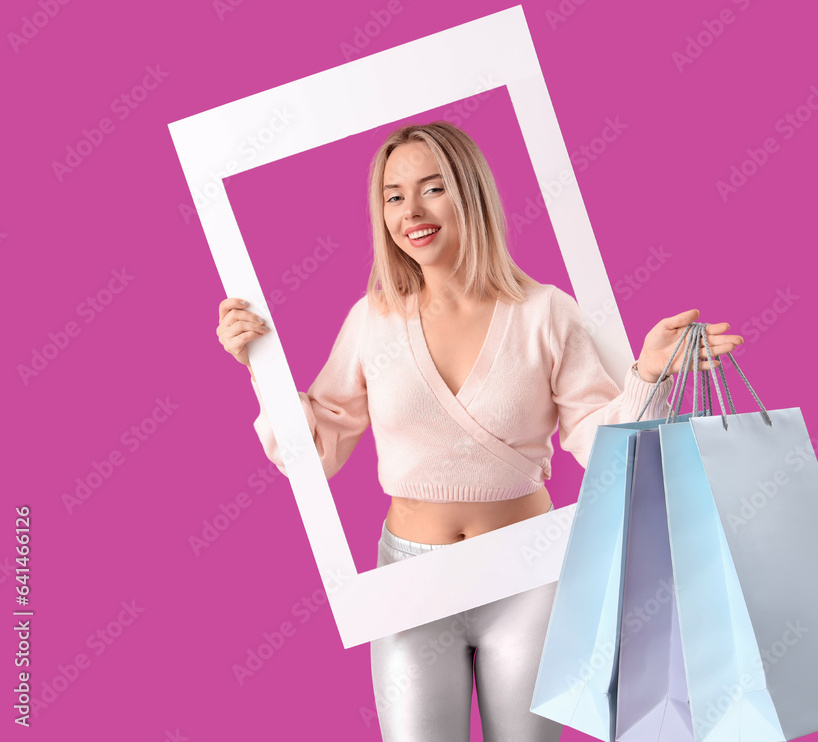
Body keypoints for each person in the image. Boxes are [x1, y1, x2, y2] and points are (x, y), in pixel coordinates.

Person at [215, 121, 743, 741]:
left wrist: (648, 374)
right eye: (392, 195)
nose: (411, 211)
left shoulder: (545, 311)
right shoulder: (372, 321)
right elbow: (316, 449)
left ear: (471, 193)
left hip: (529, 577)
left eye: (432, 188)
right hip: (410, 579)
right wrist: (262, 372)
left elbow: (600, 444)